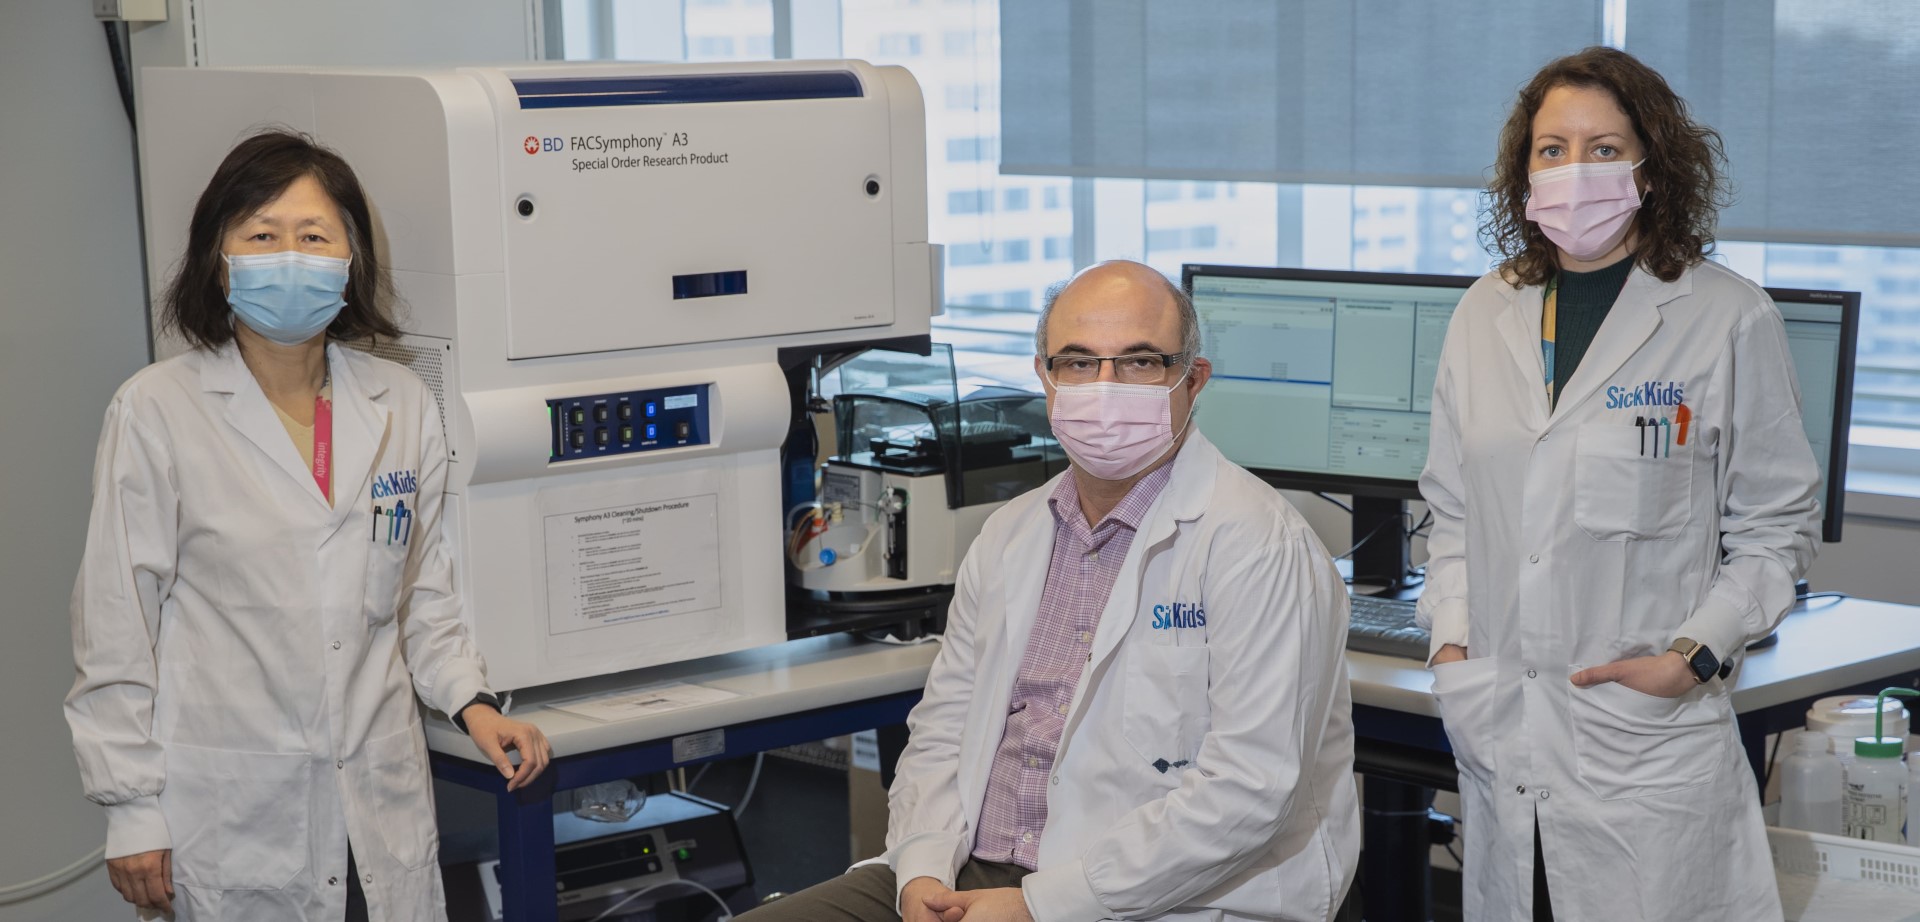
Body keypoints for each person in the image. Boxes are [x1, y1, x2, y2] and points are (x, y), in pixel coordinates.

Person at [741, 260, 1360, 922]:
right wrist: (920, 869)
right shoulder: (1011, 533)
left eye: (1140, 363)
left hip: (1159, 896)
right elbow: (943, 732)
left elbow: (1248, 793)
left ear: (1192, 379)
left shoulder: (1258, 545)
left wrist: (1042, 905)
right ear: (1045, 376)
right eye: (1078, 363)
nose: (1105, 387)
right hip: (972, 873)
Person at [65, 130, 552, 921]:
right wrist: (129, 806)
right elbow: (116, 622)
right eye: (262, 235)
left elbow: (421, 593)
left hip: (378, 795)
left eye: (314, 235)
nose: (289, 256)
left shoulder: (399, 404)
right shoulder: (157, 410)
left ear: (349, 258)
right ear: (217, 258)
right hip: (236, 808)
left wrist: (474, 702)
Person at [1417, 46, 1820, 921]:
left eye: (1604, 148)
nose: (1574, 171)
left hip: (1646, 754)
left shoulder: (1724, 317)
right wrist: (1452, 638)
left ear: (1650, 165)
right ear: (1522, 172)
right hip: (1504, 733)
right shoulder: (1484, 310)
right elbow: (1451, 511)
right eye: (1551, 149)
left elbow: (1777, 528)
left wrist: (1696, 655)